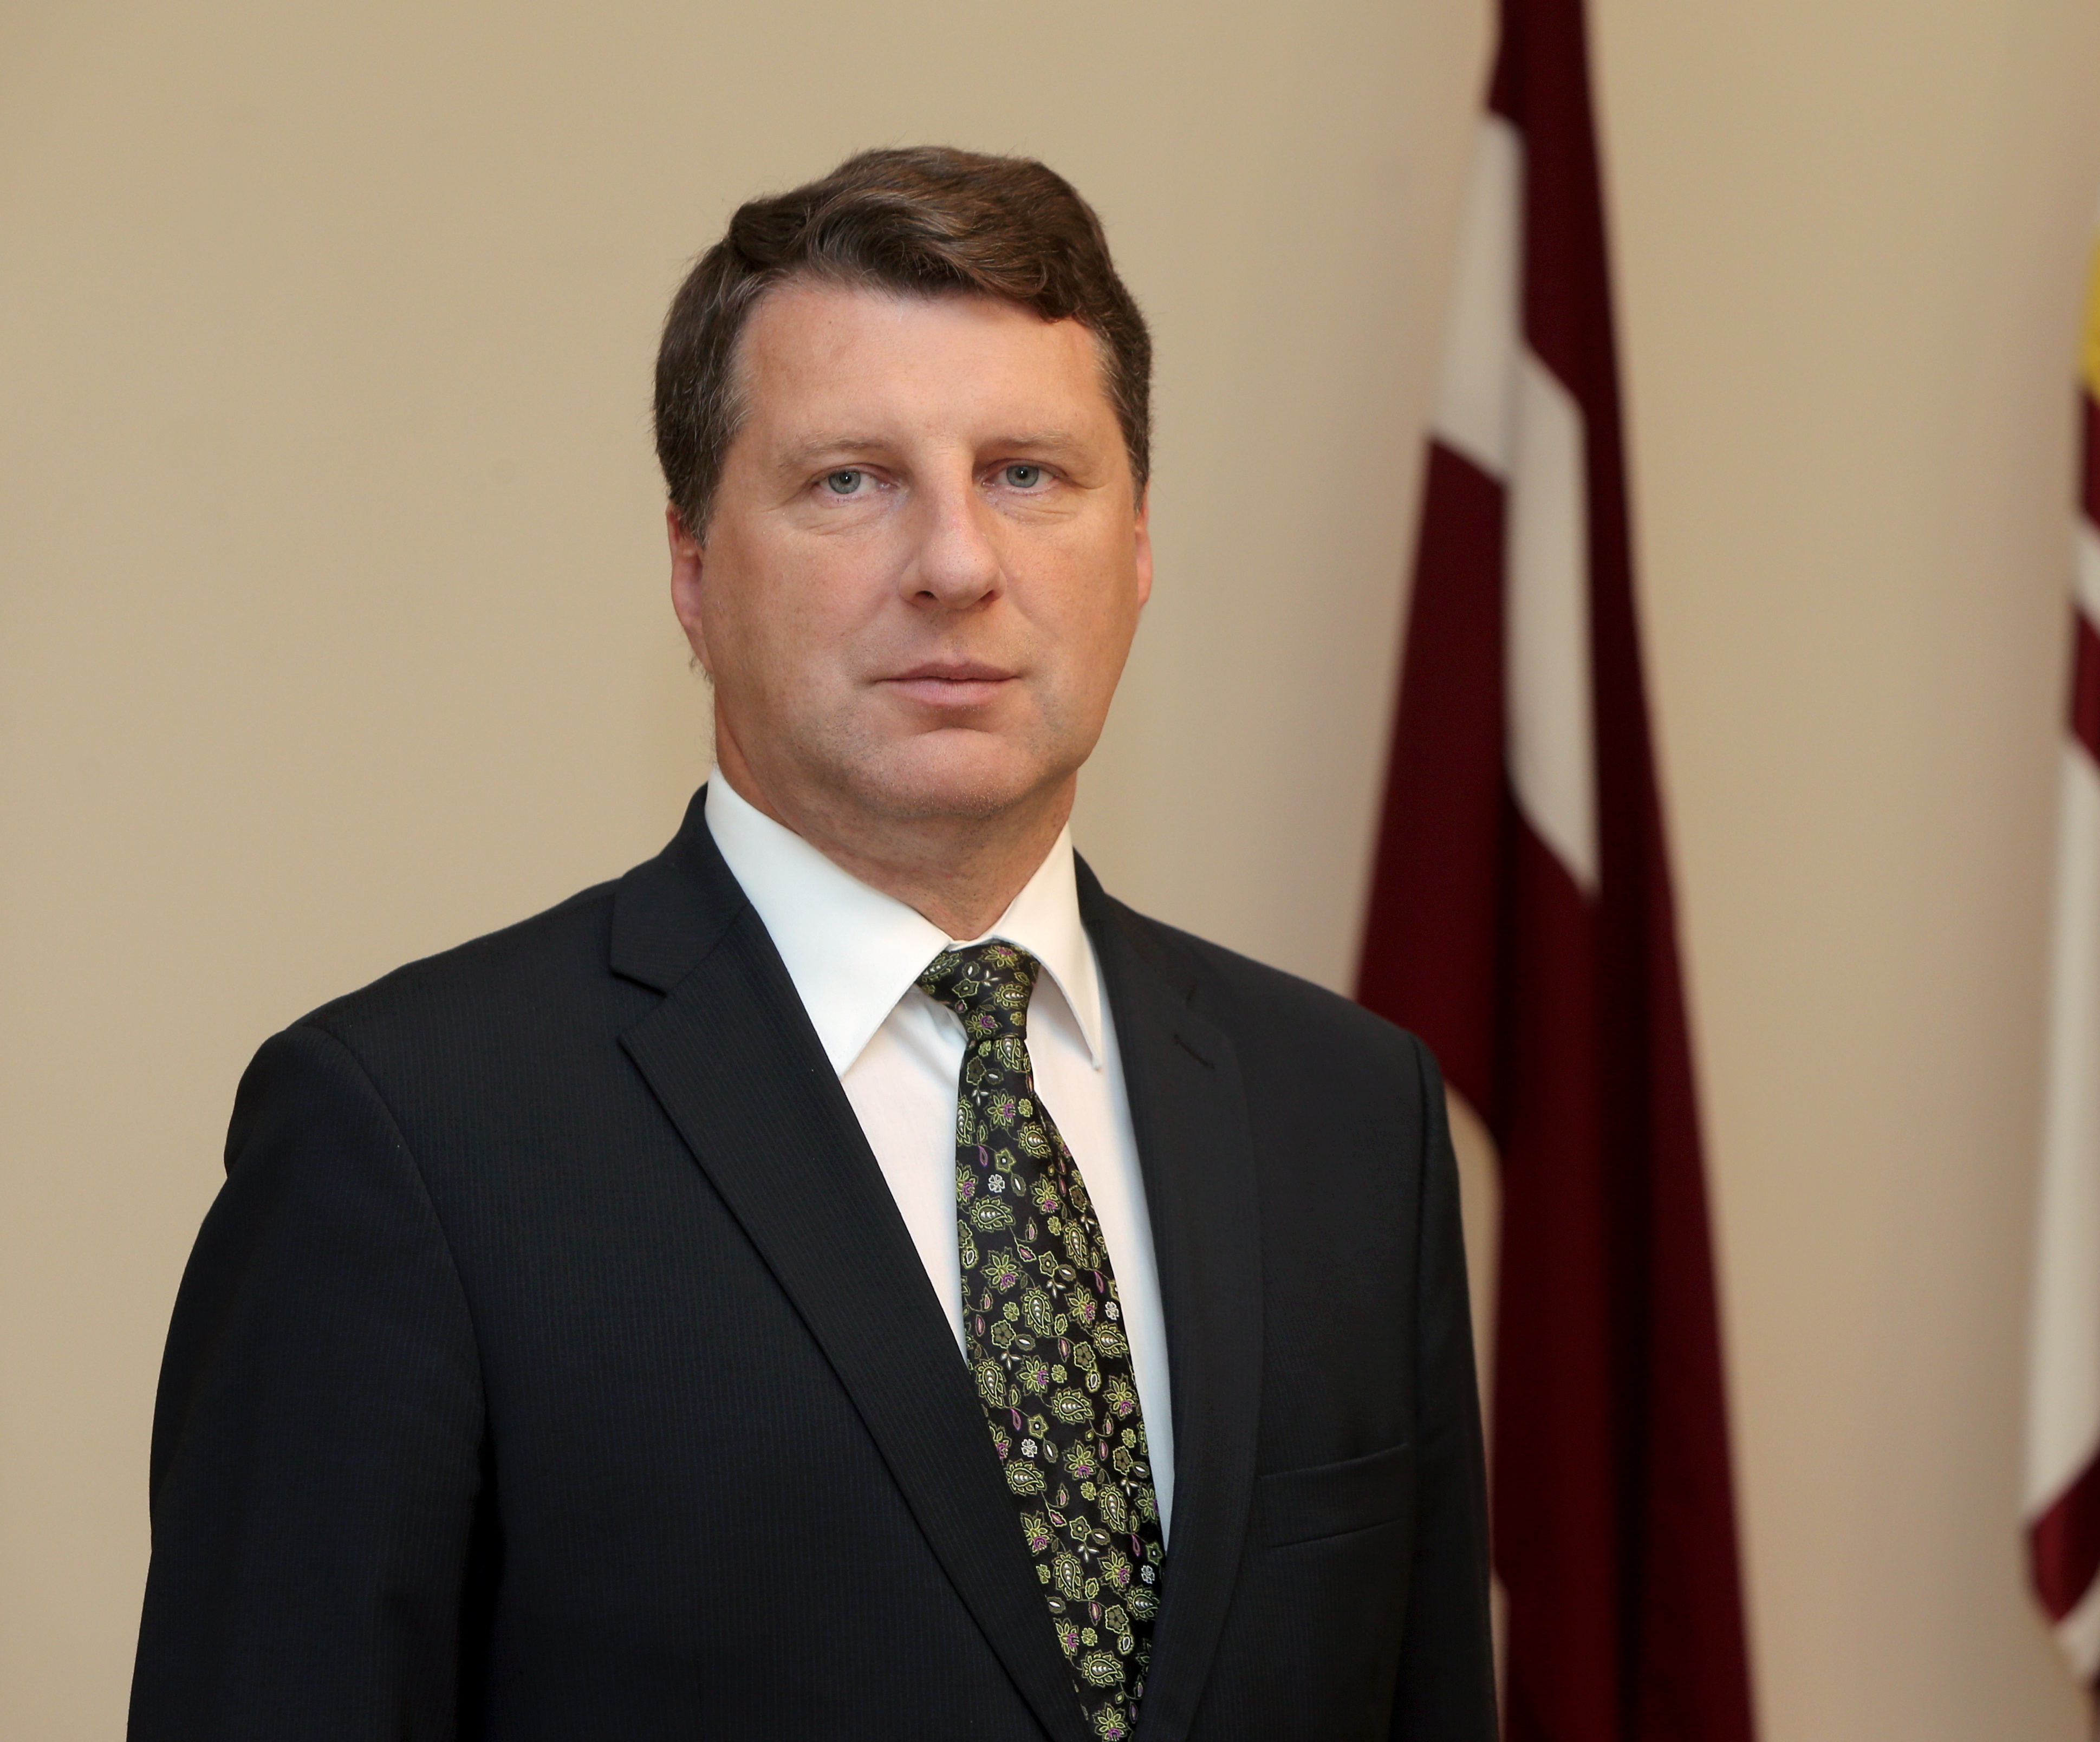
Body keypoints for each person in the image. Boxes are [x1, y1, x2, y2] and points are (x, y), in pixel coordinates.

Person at [129, 146, 1496, 1742]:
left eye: (1028, 474)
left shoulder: (1351, 1115)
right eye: (851, 480)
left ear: (1136, 551)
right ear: (693, 570)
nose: (958, 564)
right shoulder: (407, 1138)